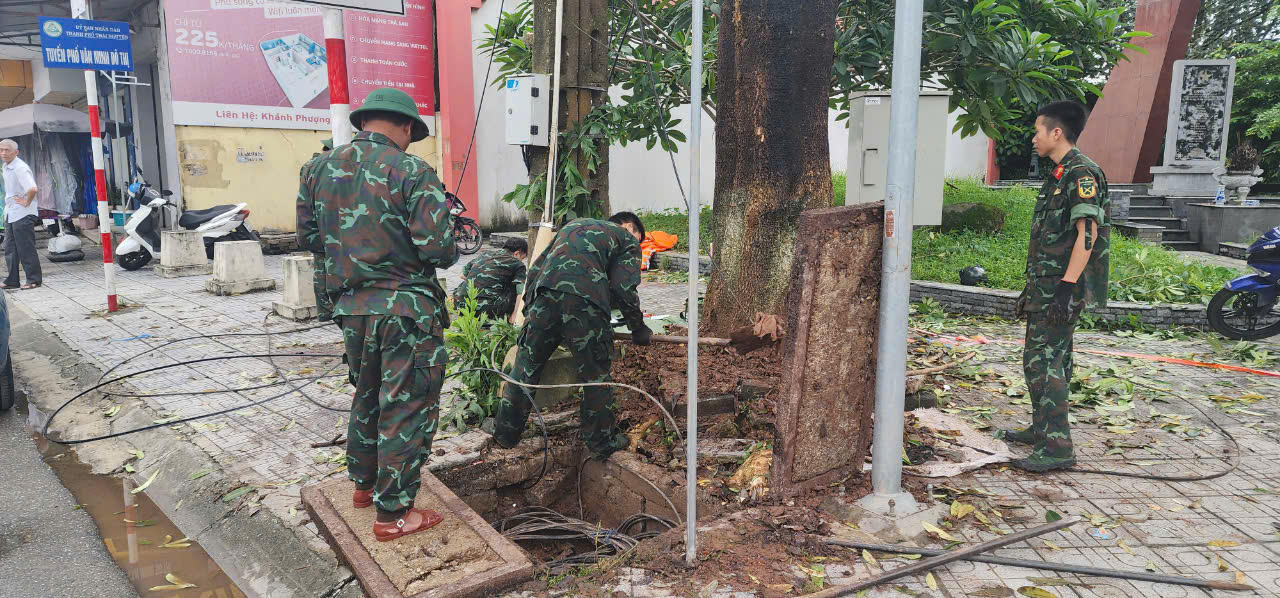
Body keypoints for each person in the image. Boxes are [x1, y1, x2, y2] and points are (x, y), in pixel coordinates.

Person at [296, 88, 456, 541]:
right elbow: (439, 250)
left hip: (352, 310)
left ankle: (363, 489)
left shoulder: (317, 168)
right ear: (405, 127)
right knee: (404, 407)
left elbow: (308, 237)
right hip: (407, 311)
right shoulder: (411, 170)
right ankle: (394, 515)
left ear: (365, 122)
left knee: (366, 396)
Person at [998, 101, 1110, 472]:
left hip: (1060, 289)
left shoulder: (1082, 174)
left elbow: (1087, 234)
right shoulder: (1059, 173)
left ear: (1056, 132)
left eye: (1037, 131)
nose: (1034, 138)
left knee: (1044, 362)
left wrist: (1066, 287)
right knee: (1046, 360)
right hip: (1046, 286)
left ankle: (1058, 449)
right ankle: (1042, 428)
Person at [492, 213, 653, 460]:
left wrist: (530, 311)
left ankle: (505, 434)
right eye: (639, 238)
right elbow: (623, 287)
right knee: (595, 376)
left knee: (524, 369)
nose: (637, 243)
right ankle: (601, 443)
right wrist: (638, 327)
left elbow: (535, 268)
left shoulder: (573, 226)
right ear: (630, 227)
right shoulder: (626, 239)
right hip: (585, 305)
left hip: (543, 299)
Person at [298, 137, 335, 321]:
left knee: (321, 271)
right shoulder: (316, 168)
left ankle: (326, 311)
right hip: (328, 232)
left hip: (320, 231)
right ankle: (328, 311)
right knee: (323, 271)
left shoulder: (311, 167)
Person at [451, 237, 528, 321]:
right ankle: (505, 316)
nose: (522, 261)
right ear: (516, 253)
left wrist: (482, 282)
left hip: (462, 306)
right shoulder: (518, 264)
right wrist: (515, 315)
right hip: (485, 311)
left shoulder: (485, 254)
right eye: (522, 258)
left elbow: (462, 275)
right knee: (517, 285)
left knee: (469, 281)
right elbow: (520, 292)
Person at [1, 139, 41, 290]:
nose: (3, 153)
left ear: (16, 152)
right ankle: (12, 280)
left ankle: (34, 280)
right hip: (11, 213)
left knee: (25, 248)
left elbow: (32, 188)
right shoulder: (6, 166)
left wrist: (27, 202)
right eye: (1, 150)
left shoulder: (20, 167)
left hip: (23, 214)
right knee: (10, 248)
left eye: (7, 150)